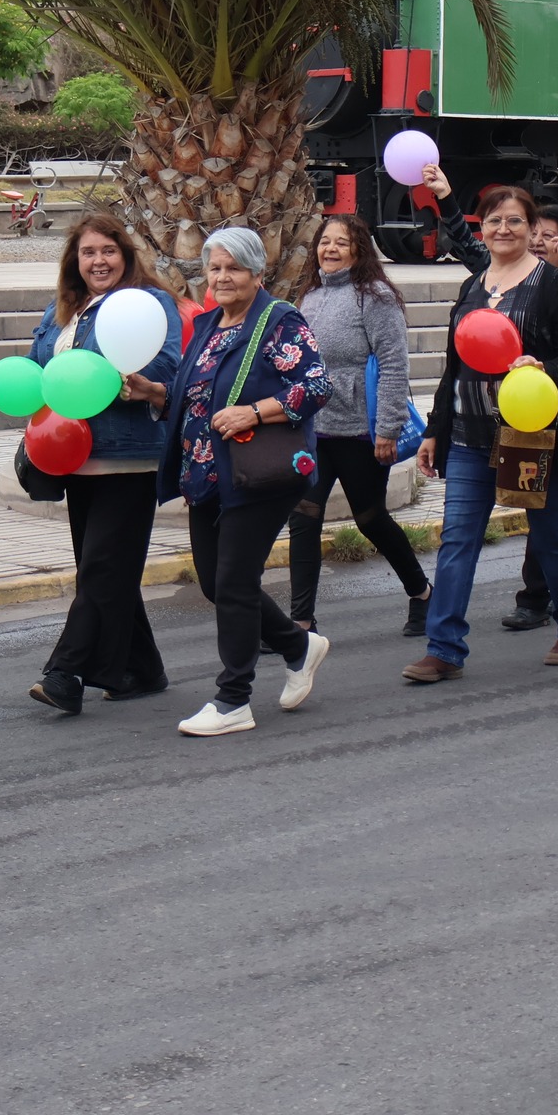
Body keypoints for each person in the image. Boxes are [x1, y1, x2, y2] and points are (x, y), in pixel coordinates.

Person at [122, 227, 332, 737]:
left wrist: (254, 413)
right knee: (218, 584)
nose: (221, 277)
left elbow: (317, 384)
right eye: (214, 268)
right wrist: (155, 392)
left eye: (233, 268)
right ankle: (298, 645)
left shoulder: (278, 319)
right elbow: (196, 396)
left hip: (257, 474)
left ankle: (233, 698)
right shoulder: (210, 322)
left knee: (235, 583)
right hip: (206, 473)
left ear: (257, 273)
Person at [407, 184, 558, 682]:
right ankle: (444, 648)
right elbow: (455, 366)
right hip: (469, 433)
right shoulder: (472, 287)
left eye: (514, 221)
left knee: (551, 534)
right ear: (482, 228)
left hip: (528, 434)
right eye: (494, 221)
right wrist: (434, 431)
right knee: (457, 540)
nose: (503, 229)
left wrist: (542, 368)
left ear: (533, 229)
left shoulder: (552, 283)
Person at [25, 215, 183, 713]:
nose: (99, 261)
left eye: (109, 251)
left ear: (126, 256)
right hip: (74, 458)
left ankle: (65, 672)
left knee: (100, 570)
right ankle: (142, 668)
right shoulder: (62, 310)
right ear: (76, 259)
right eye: (89, 252)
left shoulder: (149, 304)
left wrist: (147, 386)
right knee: (106, 572)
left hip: (128, 458)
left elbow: (169, 366)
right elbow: (40, 364)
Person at [285, 214, 431, 637]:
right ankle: (301, 622)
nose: (329, 249)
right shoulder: (309, 295)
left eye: (341, 243)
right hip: (315, 430)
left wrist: (387, 429)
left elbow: (393, 364)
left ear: (359, 250)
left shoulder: (375, 295)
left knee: (370, 518)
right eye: (324, 242)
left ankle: (422, 593)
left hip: (361, 433)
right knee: (304, 517)